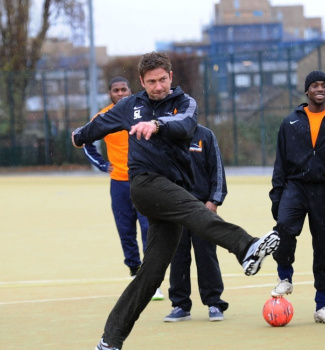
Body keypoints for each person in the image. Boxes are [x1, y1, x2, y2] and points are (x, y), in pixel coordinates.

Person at [71, 51, 279, 350]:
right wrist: (79, 136)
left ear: (171, 77)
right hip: (144, 183)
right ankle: (246, 246)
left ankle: (109, 340)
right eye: (151, 81)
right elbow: (100, 124)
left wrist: (156, 125)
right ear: (141, 82)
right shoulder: (130, 105)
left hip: (171, 189)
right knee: (195, 211)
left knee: (151, 274)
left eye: (163, 80)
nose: (158, 86)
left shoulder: (185, 103)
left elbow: (184, 125)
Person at [269, 70, 325, 324]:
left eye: (324, 85)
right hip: (295, 187)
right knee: (283, 229)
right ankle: (285, 278)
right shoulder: (290, 122)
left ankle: (322, 306)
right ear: (306, 91)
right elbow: (280, 163)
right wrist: (277, 196)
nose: (320, 89)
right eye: (315, 85)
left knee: (324, 247)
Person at [83, 77, 163, 301]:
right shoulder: (103, 117)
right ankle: (134, 270)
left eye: (124, 89)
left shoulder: (144, 112)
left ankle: (151, 281)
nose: (120, 93)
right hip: (119, 182)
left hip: (145, 180)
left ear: (130, 91)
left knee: (149, 228)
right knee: (125, 230)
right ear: (110, 93)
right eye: (116, 90)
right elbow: (86, 141)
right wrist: (101, 163)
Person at [164, 124, 229, 322]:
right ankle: (180, 305)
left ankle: (214, 302)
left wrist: (214, 200)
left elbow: (217, 168)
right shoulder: (165, 135)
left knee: (206, 255)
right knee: (178, 257)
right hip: (176, 207)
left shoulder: (205, 135)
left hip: (202, 207)